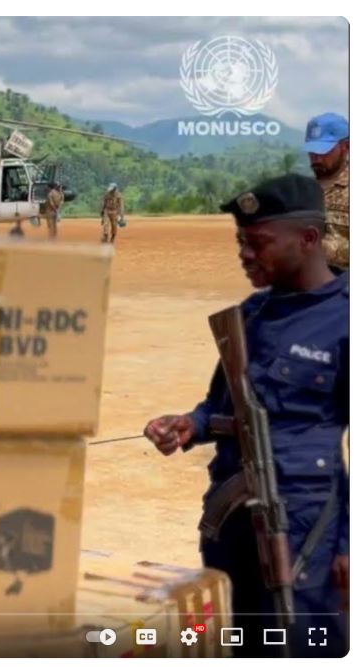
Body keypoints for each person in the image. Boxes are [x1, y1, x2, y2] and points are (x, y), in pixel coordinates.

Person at [143, 173, 348, 658]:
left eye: (258, 242)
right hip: (232, 521)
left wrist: (347, 544)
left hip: (308, 531)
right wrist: (188, 426)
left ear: (309, 238)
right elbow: (219, 406)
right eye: (240, 241)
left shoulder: (346, 319)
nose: (245, 254)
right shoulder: (252, 314)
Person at [306, 112, 348, 271]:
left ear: (346, 147)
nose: (316, 158)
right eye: (312, 150)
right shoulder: (301, 192)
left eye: (323, 150)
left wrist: (324, 249)